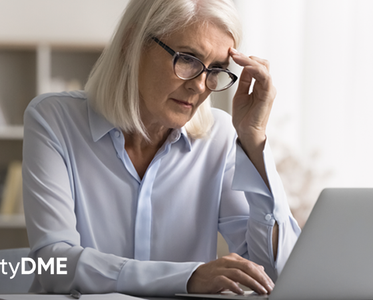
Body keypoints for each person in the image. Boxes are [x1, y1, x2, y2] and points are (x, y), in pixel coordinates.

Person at [22, 0, 301, 296]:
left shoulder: (219, 138)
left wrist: (254, 139)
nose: (200, 86)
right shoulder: (54, 120)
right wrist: (188, 277)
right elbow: (54, 265)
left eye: (216, 69)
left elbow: (273, 274)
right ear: (132, 43)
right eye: (188, 59)